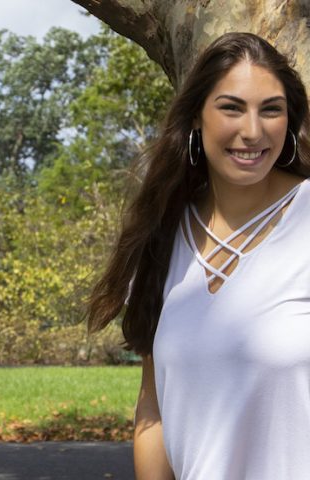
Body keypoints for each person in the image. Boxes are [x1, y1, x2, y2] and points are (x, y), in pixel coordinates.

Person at [86, 32, 310, 479]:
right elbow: (154, 408)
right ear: (195, 118)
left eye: (271, 110)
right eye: (231, 107)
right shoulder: (162, 233)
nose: (252, 130)